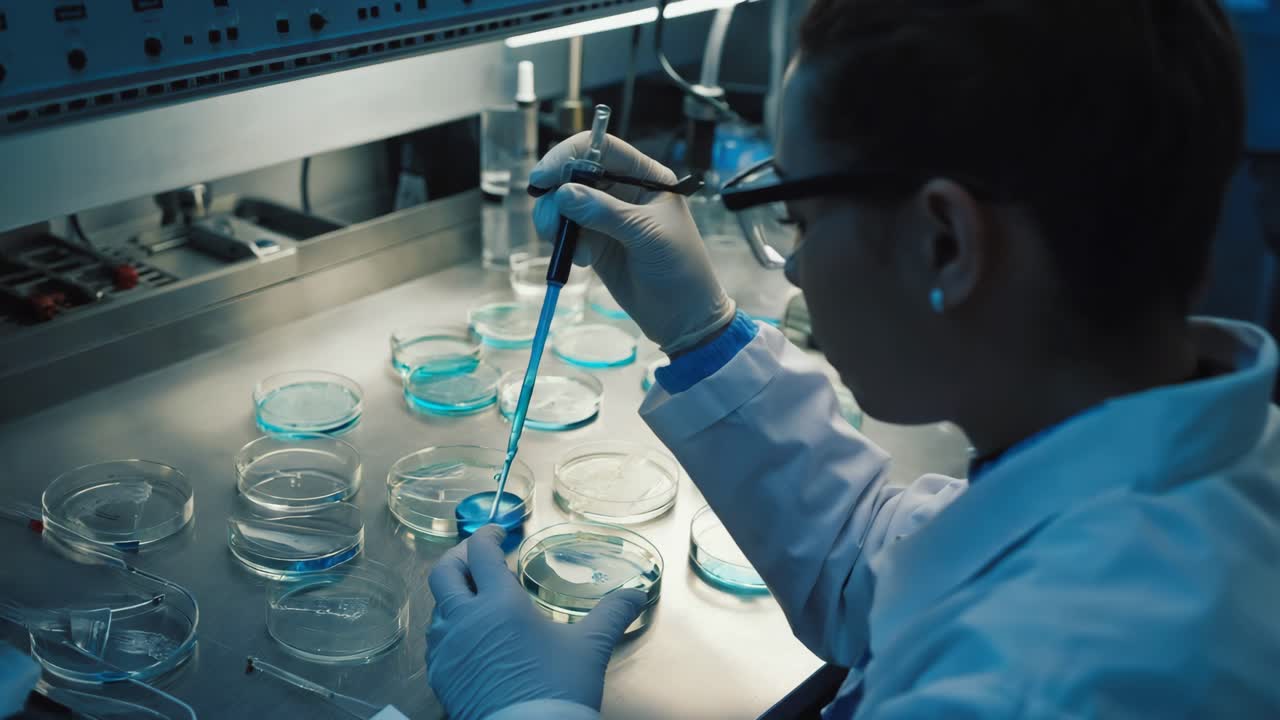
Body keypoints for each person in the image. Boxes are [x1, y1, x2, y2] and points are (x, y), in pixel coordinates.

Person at [425, 1, 1280, 718]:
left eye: (796, 217)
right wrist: (701, 333)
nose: (793, 267)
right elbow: (882, 566)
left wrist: (526, 710)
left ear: (944, 243)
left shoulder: (1053, 681)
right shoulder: (1188, 479)